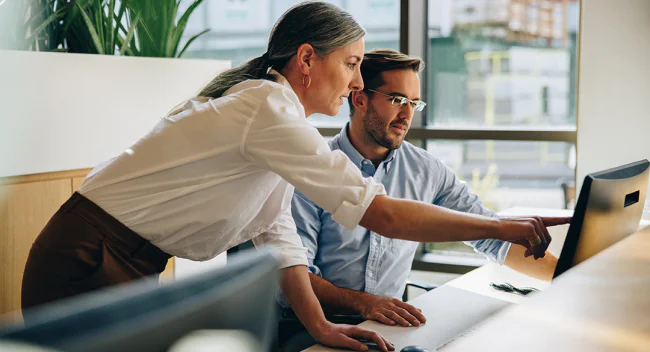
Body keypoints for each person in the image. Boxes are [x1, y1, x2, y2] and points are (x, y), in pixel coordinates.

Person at [21, 2, 566, 351]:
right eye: (351, 64)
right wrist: (504, 228)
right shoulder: (267, 110)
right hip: (88, 255)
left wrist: (322, 328)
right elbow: (381, 213)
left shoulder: (279, 124)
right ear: (308, 59)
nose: (356, 83)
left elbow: (279, 239)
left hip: (124, 258)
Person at [279, 49, 560, 330]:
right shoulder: (313, 169)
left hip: (388, 326)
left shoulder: (425, 169)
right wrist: (365, 303)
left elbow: (491, 236)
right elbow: (295, 275)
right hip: (315, 326)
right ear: (360, 98)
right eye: (397, 100)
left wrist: (565, 277)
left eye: (414, 103)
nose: (407, 114)